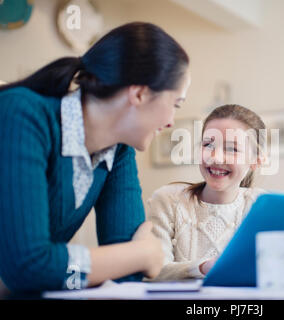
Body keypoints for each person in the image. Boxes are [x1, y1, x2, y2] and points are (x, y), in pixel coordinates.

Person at [0, 22, 191, 292]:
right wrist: (143, 254)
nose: (172, 121)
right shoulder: (21, 114)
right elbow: (27, 268)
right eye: (175, 104)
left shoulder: (120, 150)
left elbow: (127, 277)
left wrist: (126, 260)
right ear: (139, 93)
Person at [147, 104, 267, 280]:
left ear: (255, 161)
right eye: (208, 144)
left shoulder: (261, 205)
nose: (216, 157)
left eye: (232, 149)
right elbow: (152, 271)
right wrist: (203, 268)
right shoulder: (168, 200)